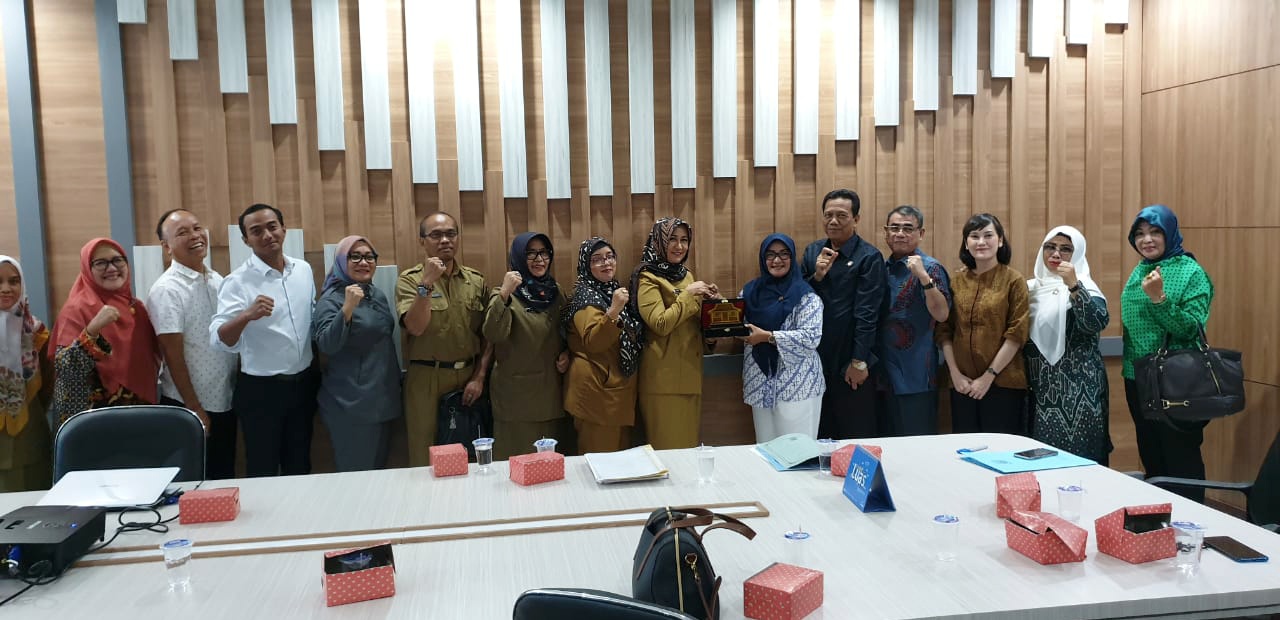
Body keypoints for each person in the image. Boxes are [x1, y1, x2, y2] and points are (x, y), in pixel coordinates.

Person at [210, 204, 317, 477]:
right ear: (246, 240)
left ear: (284, 229)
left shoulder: (303, 270)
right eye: (256, 231)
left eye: (272, 227)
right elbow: (220, 338)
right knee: (263, 468)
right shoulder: (237, 282)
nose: (267, 235)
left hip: (303, 385)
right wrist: (246, 315)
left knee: (300, 465)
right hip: (262, 392)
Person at [1122, 205, 1213, 502]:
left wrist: (1159, 300)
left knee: (1181, 458)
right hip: (1137, 377)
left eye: (1155, 232)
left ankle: (1191, 523)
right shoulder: (1140, 270)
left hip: (1176, 379)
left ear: (1170, 233)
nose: (1146, 239)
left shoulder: (1191, 272)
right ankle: (1159, 522)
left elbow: (1191, 328)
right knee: (1152, 456)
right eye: (1140, 233)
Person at [146, 209, 238, 480]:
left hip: (223, 399)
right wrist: (195, 408)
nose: (195, 236)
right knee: (193, 486)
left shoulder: (216, 279)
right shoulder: (167, 290)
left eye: (197, 228)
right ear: (166, 247)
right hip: (188, 405)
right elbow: (172, 355)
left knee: (222, 479)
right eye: (182, 233)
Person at [396, 212, 492, 467]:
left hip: (468, 376)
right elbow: (415, 327)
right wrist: (427, 282)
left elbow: (488, 335)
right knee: (425, 454)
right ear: (422, 241)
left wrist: (479, 377)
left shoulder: (475, 280)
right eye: (436, 235)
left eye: (451, 233)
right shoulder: (410, 280)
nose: (445, 240)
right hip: (426, 378)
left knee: (469, 452)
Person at [800, 189, 886, 439]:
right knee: (820, 435)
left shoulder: (869, 257)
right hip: (816, 361)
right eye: (828, 215)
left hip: (851, 360)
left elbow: (868, 314)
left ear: (856, 219)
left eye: (841, 215)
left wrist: (859, 361)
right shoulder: (813, 251)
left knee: (855, 434)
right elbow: (799, 302)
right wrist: (816, 276)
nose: (833, 221)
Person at [312, 236, 402, 472]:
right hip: (351, 405)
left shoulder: (376, 294)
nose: (364, 262)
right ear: (342, 261)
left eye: (369, 256)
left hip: (382, 400)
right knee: (357, 478)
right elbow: (326, 345)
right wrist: (348, 308)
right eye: (355, 257)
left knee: (378, 475)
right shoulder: (331, 299)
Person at [936, 213, 1029, 435]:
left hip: (1003, 383)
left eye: (988, 235)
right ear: (966, 243)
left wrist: (988, 377)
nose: (981, 242)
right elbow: (944, 331)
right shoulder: (956, 282)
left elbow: (1017, 334)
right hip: (962, 384)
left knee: (1000, 450)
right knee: (965, 449)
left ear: (1000, 240)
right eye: (974, 236)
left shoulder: (1014, 281)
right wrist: (955, 374)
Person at [50, 238, 160, 427]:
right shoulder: (76, 310)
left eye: (118, 260)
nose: (112, 268)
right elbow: (66, 370)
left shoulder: (137, 309)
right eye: (101, 263)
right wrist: (92, 330)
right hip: (90, 419)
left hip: (137, 412)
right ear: (87, 269)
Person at [1025, 226, 1111, 464]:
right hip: (1039, 389)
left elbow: (1096, 322)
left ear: (1078, 254)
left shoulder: (1086, 286)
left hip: (1079, 391)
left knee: (1078, 462)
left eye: (1066, 249)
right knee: (1039, 461)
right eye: (1050, 247)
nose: (1056, 254)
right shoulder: (1030, 289)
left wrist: (1074, 286)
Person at [483, 233, 570, 459]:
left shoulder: (555, 292)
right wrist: (504, 293)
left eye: (544, 253)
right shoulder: (505, 294)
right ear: (519, 257)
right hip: (516, 401)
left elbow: (566, 332)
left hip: (551, 396)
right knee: (517, 464)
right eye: (531, 253)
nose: (539, 259)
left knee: (549, 464)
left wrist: (567, 352)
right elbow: (493, 333)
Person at [631, 217, 715, 450]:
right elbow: (659, 323)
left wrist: (712, 311)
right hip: (663, 382)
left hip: (690, 376)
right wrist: (689, 295)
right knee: (669, 455)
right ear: (660, 242)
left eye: (684, 240)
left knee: (687, 454)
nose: (679, 246)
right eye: (672, 240)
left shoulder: (686, 275)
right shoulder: (647, 277)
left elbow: (690, 324)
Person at [562, 237, 645, 453]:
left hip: (615, 395)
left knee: (619, 461)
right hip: (597, 395)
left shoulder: (610, 290)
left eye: (610, 257)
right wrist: (614, 311)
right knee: (599, 462)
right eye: (597, 259)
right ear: (586, 266)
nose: (606, 263)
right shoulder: (585, 297)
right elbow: (594, 341)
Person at [740, 234, 825, 442]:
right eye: (770, 255)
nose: (776, 260)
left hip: (798, 384)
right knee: (766, 450)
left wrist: (768, 337)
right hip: (760, 382)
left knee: (798, 451)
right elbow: (739, 326)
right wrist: (717, 305)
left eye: (784, 254)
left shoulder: (806, 295)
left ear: (792, 257)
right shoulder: (749, 292)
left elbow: (811, 337)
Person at [879, 205, 952, 436]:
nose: (900, 233)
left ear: (921, 233)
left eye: (908, 228)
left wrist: (923, 277)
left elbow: (942, 314)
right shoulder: (880, 268)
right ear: (886, 232)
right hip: (882, 375)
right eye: (894, 228)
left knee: (917, 443)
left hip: (916, 375)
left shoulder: (931, 268)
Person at [0, 256, 52, 492]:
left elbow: (47, 386)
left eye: (14, 281)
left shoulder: (37, 332)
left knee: (33, 502)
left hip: (29, 437)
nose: (6, 288)